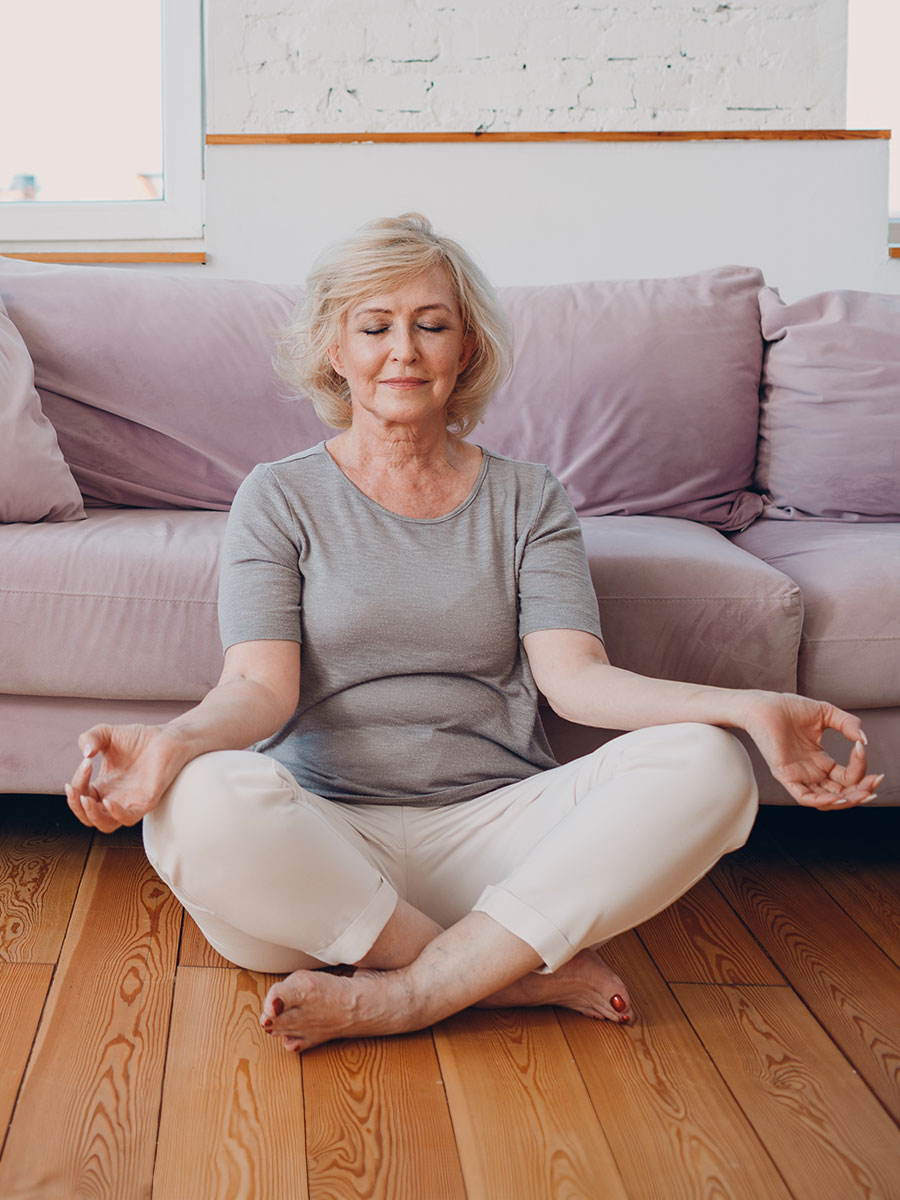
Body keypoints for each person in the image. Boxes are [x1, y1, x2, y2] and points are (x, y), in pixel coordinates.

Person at [65, 214, 882, 1054]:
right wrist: (171, 744)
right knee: (194, 800)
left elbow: (576, 679)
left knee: (709, 762)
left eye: (432, 325)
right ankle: (505, 977)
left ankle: (416, 991)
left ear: (467, 349)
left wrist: (747, 709)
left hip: (497, 844)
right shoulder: (278, 497)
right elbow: (259, 689)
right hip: (319, 865)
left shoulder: (529, 497)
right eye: (375, 327)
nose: (405, 352)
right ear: (335, 351)